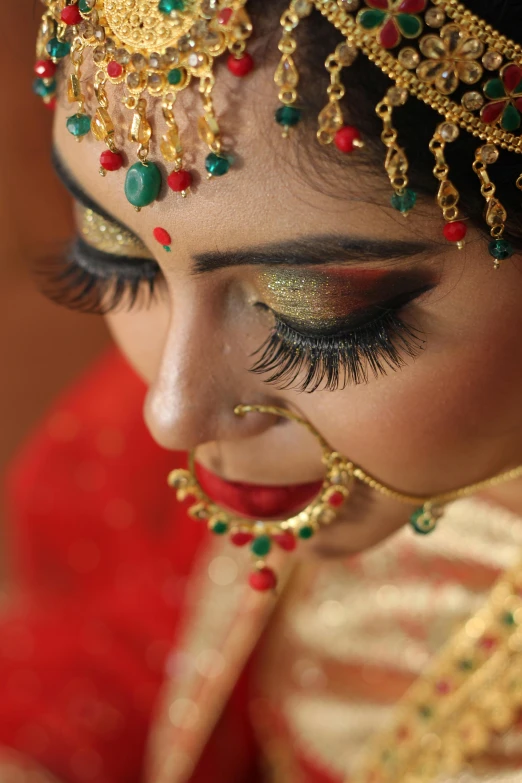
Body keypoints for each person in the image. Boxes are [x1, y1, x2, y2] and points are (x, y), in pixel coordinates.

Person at [2, 0, 522, 780]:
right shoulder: (165, 436)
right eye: (114, 254)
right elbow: (110, 655)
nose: (171, 412)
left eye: (314, 316)